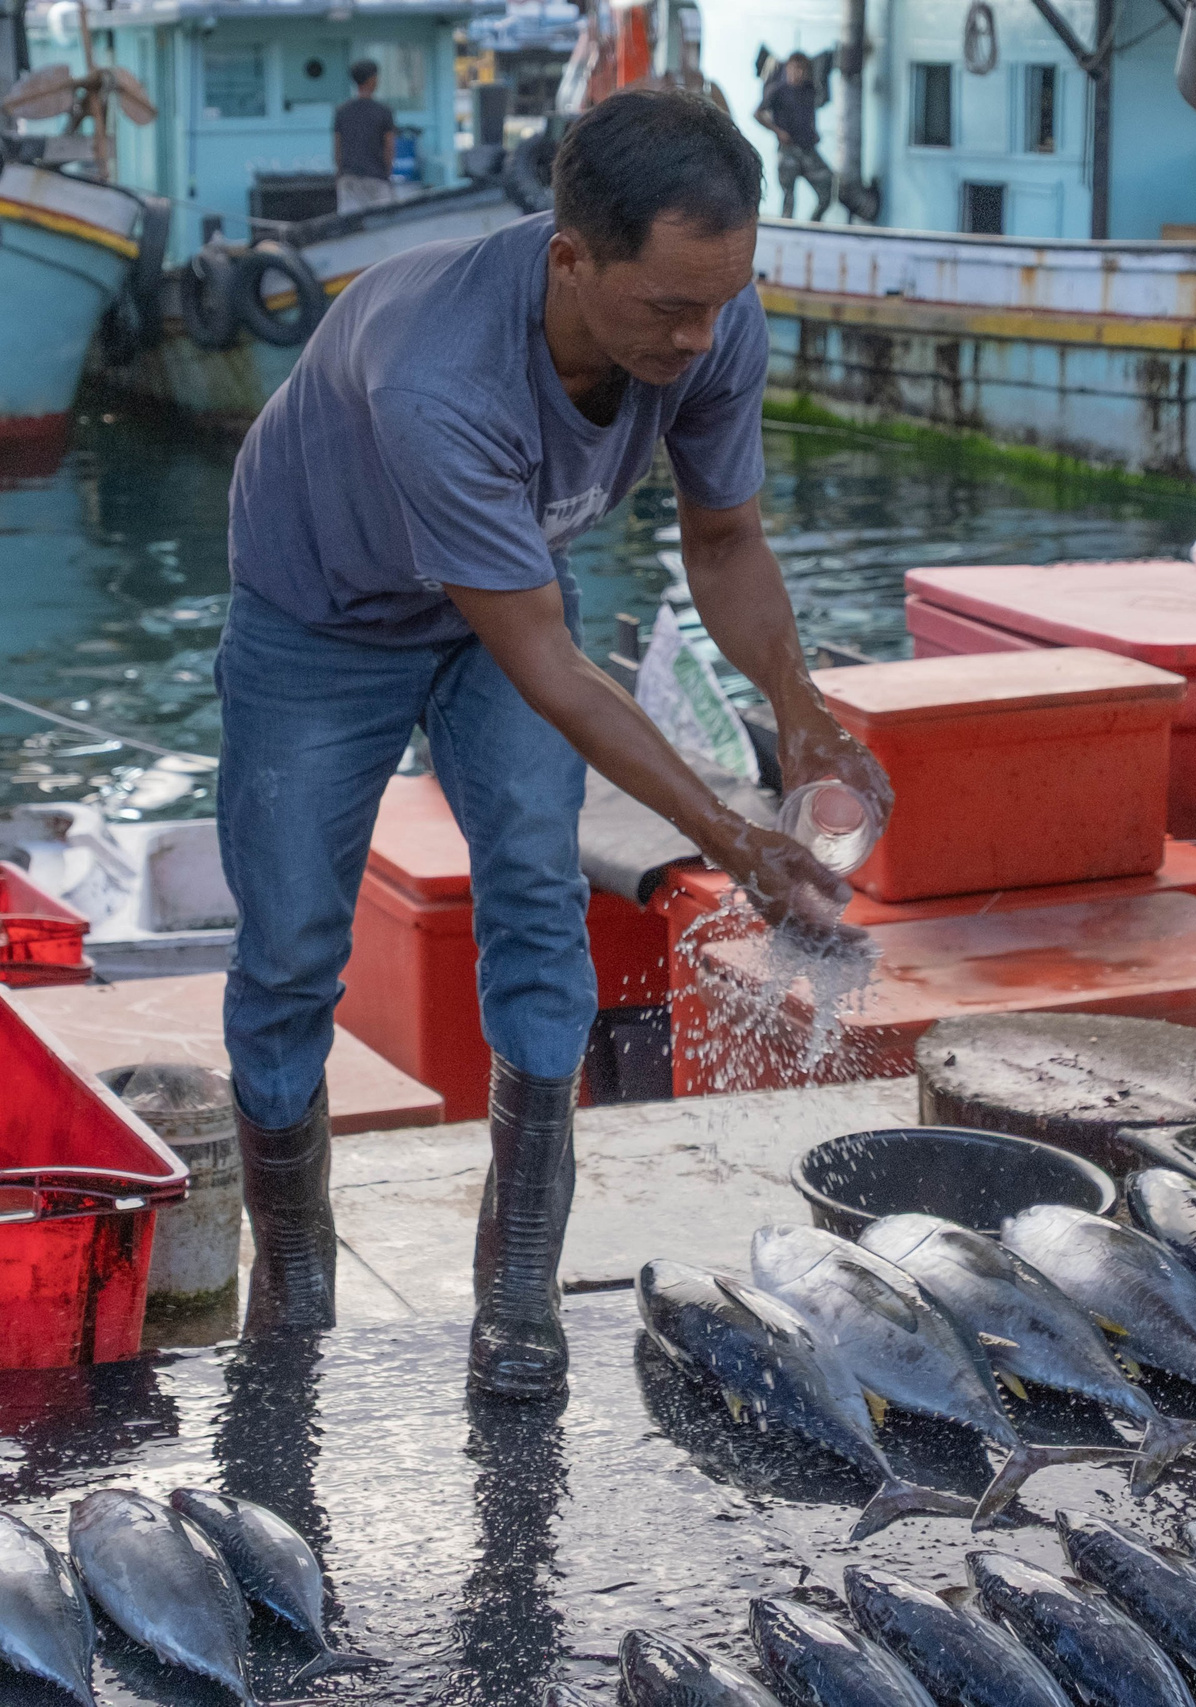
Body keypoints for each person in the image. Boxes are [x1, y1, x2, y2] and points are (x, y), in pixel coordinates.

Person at [218, 89, 892, 1399]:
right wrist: (733, 837)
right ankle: (294, 1271)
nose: (700, 338)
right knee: (293, 942)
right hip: (322, 614)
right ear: (569, 256)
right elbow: (548, 661)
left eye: (722, 302)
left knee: (536, 891)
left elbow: (725, 540)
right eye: (669, 309)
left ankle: (519, 1276)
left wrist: (801, 709)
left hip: (510, 586)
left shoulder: (708, 315)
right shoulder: (437, 370)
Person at [754, 53, 831, 222]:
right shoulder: (778, 91)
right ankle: (787, 227)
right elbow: (758, 114)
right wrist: (778, 131)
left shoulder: (809, 90)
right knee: (788, 196)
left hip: (807, 149)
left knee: (828, 186)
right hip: (788, 150)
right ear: (788, 68)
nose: (799, 73)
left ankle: (814, 223)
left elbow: (817, 106)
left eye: (802, 69)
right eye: (796, 68)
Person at [333, 60, 398, 214]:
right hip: (376, 178)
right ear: (372, 79)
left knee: (349, 223)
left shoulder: (342, 111)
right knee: (382, 222)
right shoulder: (384, 111)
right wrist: (387, 174)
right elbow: (389, 147)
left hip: (349, 178)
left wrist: (340, 174)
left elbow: (337, 148)